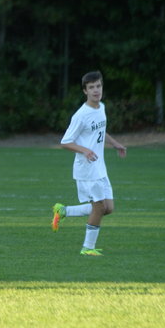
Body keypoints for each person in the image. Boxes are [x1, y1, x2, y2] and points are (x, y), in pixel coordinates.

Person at [51, 71, 127, 256]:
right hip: (87, 169)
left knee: (108, 208)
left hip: (100, 167)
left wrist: (115, 144)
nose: (96, 90)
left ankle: (64, 211)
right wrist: (84, 150)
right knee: (99, 207)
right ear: (85, 91)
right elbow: (65, 142)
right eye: (91, 87)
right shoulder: (81, 115)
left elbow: (101, 130)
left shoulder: (101, 107)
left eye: (98, 86)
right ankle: (87, 248)